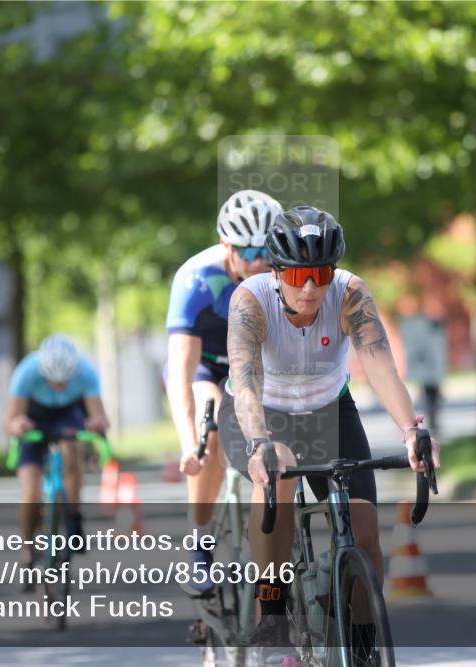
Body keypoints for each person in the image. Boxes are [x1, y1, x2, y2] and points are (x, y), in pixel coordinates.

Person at [218, 206, 441, 665]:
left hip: (328, 410)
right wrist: (260, 443)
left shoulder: (350, 294)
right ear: (277, 271)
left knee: (362, 530)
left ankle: (360, 648)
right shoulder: (250, 301)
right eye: (298, 274)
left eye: (320, 273)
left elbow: (379, 364)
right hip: (263, 412)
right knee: (276, 473)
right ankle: (272, 611)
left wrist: (411, 430)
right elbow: (246, 385)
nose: (309, 287)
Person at [164, 189, 281, 597]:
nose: (260, 260)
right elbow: (180, 370)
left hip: (257, 363)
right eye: (248, 250)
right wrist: (187, 444)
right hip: (207, 366)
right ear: (226, 246)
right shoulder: (195, 279)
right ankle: (199, 542)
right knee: (209, 428)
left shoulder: (283, 272)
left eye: (267, 248)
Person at [5, 334, 108, 569]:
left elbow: (99, 416)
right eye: (53, 381)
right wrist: (17, 425)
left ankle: (73, 515)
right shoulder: (26, 372)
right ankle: (28, 548)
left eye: (65, 382)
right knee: (31, 491)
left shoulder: (86, 372)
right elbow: (10, 420)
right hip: (34, 417)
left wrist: (97, 424)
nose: (59, 387)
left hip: (68, 415)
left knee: (73, 449)